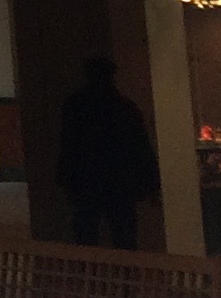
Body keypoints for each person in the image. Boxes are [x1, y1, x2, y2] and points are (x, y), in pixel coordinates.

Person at [54, 56, 160, 250]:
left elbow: (68, 145)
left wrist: (65, 180)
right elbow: (140, 146)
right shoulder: (125, 108)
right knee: (124, 239)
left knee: (86, 240)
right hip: (119, 182)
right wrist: (151, 184)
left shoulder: (75, 107)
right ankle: (126, 277)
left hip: (86, 182)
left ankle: (90, 277)